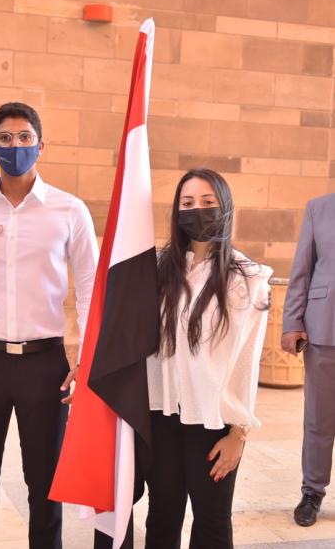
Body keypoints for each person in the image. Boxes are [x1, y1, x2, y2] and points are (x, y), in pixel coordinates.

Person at [0, 102, 98, 549]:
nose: (16, 146)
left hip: (45, 366)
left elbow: (88, 288)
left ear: (41, 145)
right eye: (6, 139)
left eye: (25, 138)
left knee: (45, 487)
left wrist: (83, 360)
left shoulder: (70, 210)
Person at [145, 168, 272, 549]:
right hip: (161, 415)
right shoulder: (157, 266)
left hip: (214, 423)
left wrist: (239, 433)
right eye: (187, 203)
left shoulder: (247, 277)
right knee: (162, 515)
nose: (196, 210)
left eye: (207, 202)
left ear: (225, 208)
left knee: (212, 523)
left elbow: (246, 361)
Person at [281, 192, 335, 527]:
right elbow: (301, 268)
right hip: (323, 327)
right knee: (318, 419)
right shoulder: (318, 207)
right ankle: (312, 491)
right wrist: (292, 322)